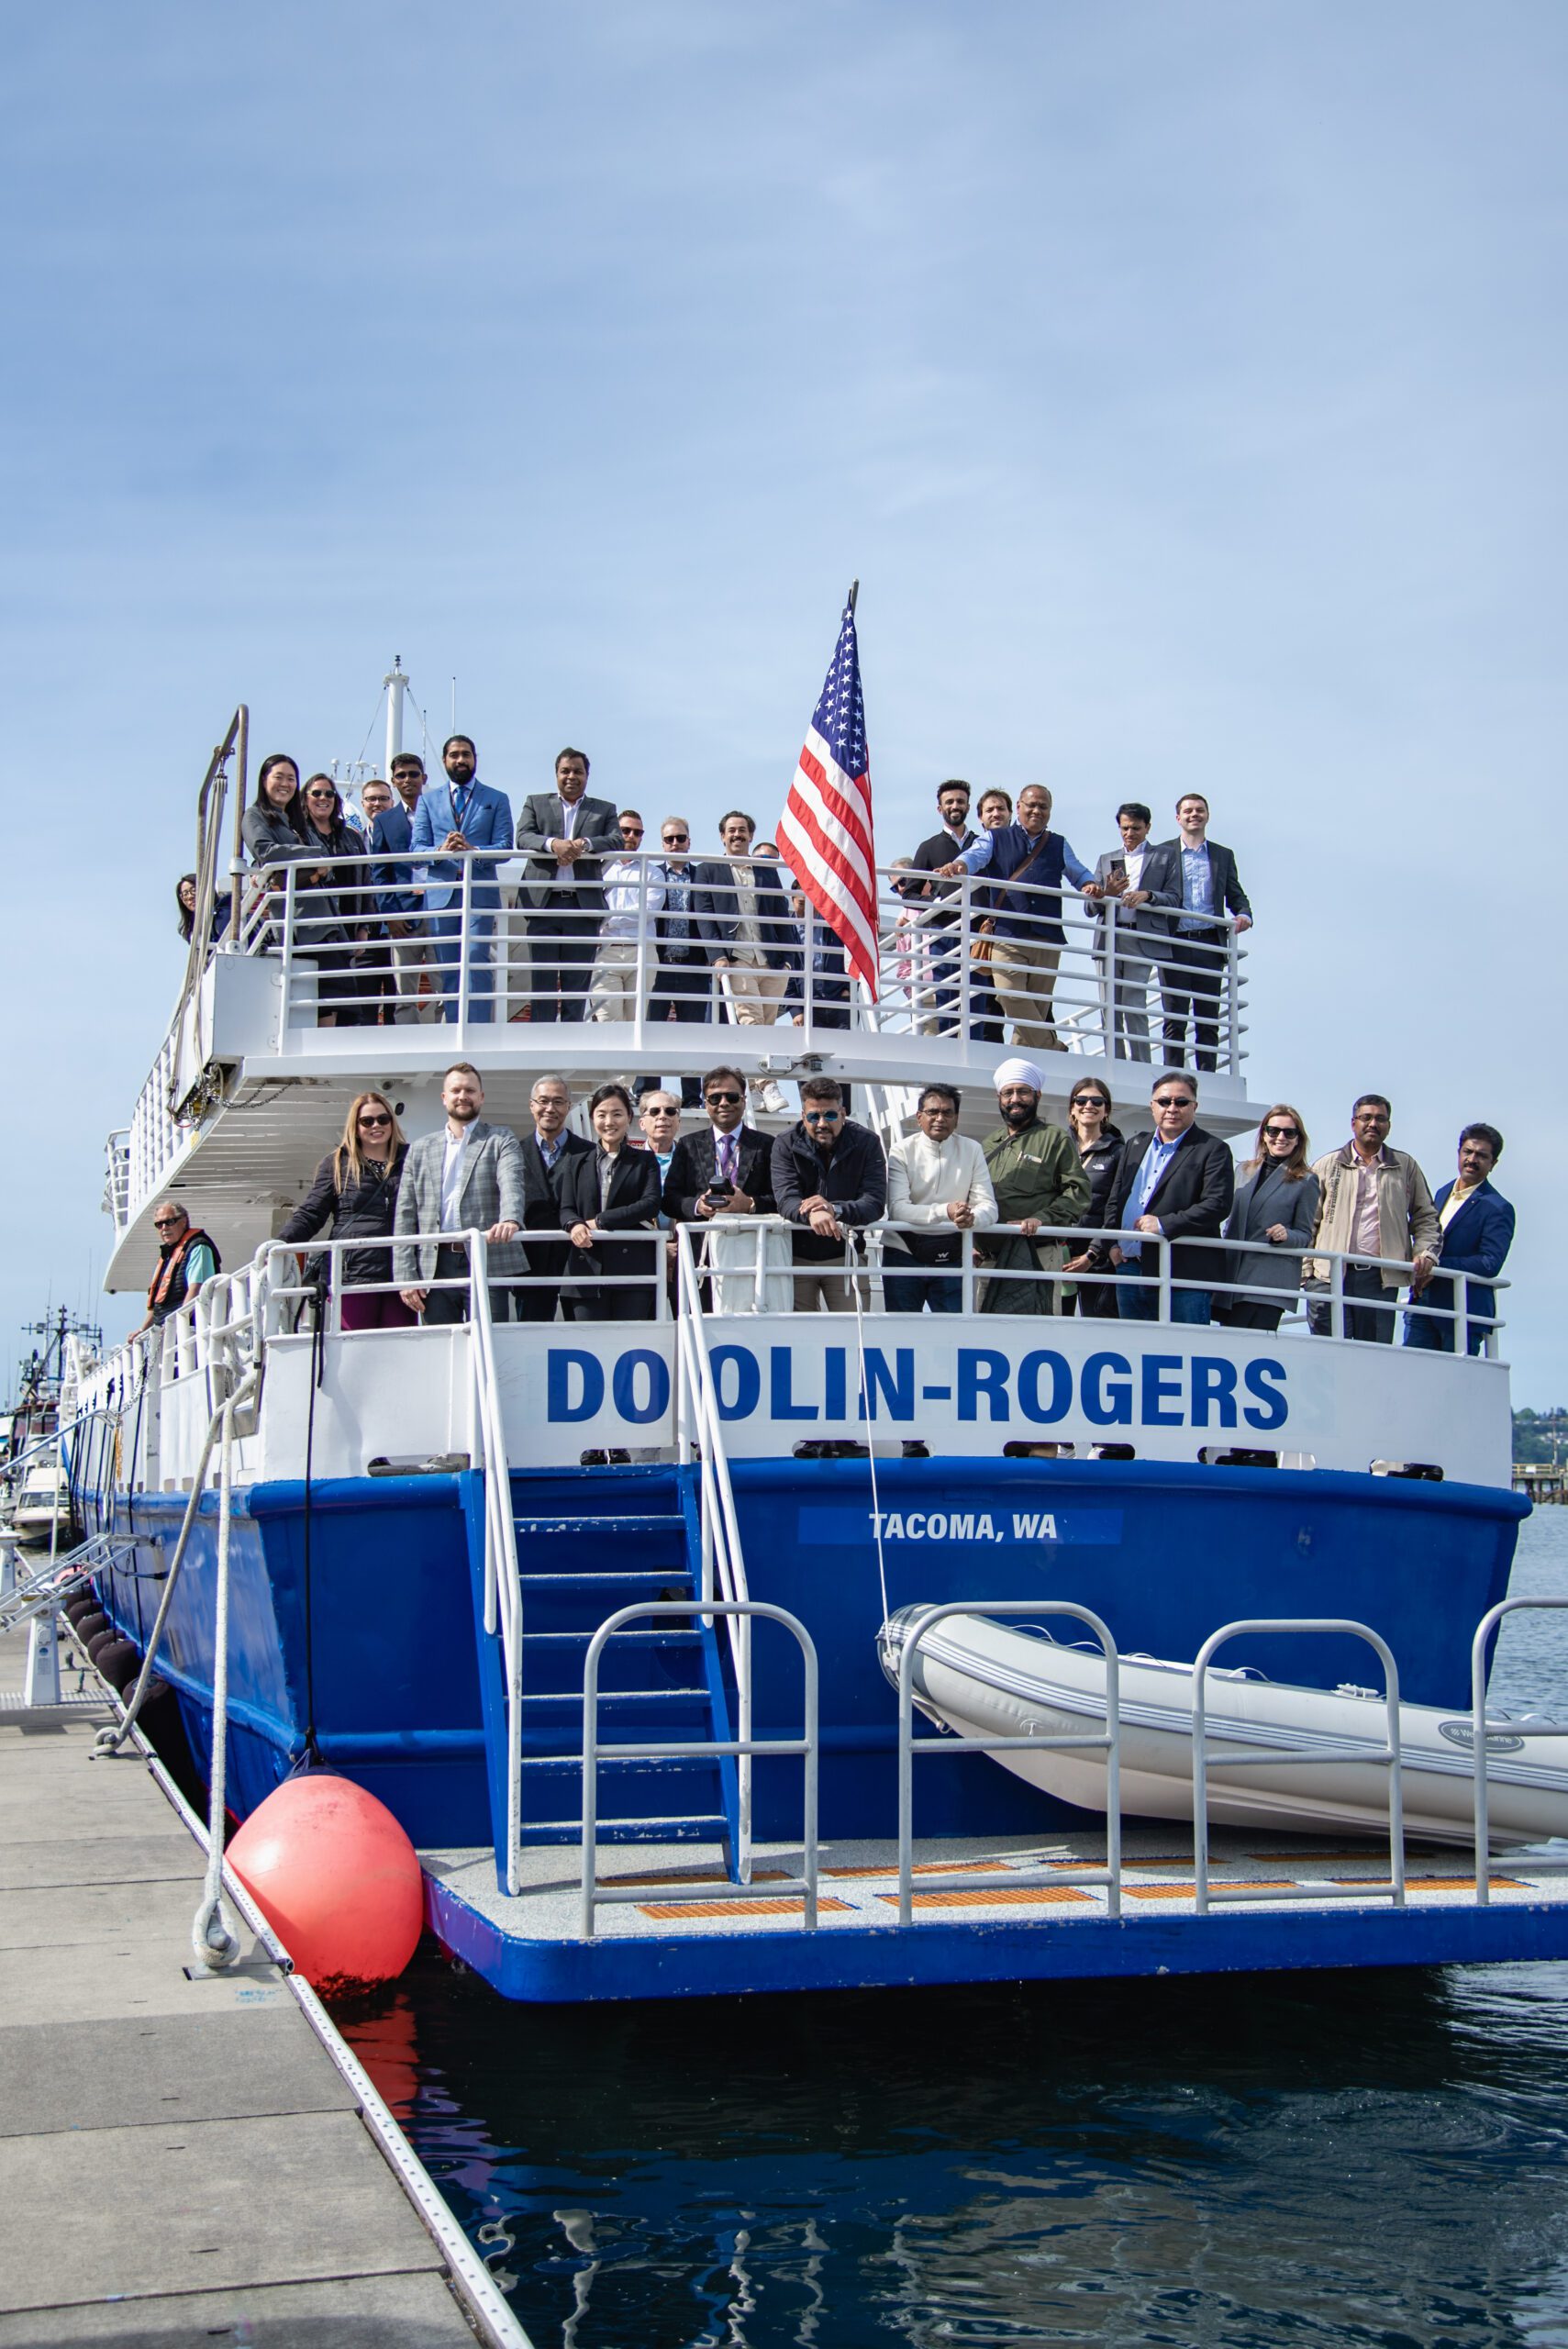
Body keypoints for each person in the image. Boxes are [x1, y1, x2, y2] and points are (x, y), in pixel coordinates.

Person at [943, 785, 1095, 1052]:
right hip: (1007, 933)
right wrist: (959, 865)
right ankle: (1052, 1048)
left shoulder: (1058, 843)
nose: (1037, 811)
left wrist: (1090, 885)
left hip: (1046, 937)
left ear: (1050, 811)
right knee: (1009, 995)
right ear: (1019, 808)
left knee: (1036, 1008)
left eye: (1043, 806)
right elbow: (973, 857)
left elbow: (1078, 872)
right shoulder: (997, 838)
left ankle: (1022, 1066)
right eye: (1031, 805)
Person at [1089, 1073, 1236, 1323]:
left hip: (1182, 1273)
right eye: (1164, 1101)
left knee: (1186, 1351)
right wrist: (1111, 1244)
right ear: (1152, 1106)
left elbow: (1217, 1205)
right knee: (1133, 1353)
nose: (1172, 1108)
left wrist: (1164, 1224)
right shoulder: (1135, 1144)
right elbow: (1115, 1200)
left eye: (1181, 1102)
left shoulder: (1213, 1149)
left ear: (1194, 1107)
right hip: (1129, 1267)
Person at [395, 1063, 529, 1324]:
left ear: (481, 1096)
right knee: (443, 1347)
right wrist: (405, 1276)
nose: (462, 1096)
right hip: (434, 1264)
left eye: (470, 1090)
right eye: (455, 1090)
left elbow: (511, 1181)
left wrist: (510, 1219)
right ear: (444, 1097)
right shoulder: (420, 1149)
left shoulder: (500, 1139)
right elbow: (405, 1214)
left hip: (485, 1255)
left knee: (492, 1342)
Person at [1306, 1096, 1440, 1344]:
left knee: (1373, 1357)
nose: (1372, 1124)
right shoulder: (1327, 1165)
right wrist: (1307, 1274)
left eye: (1380, 1118)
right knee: (1328, 1355)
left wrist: (1425, 1254)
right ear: (1353, 1123)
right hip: (1328, 1275)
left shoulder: (1405, 1166)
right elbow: (1308, 1222)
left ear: (1388, 1125)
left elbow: (1426, 1217)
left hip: (1381, 1278)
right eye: (1366, 1117)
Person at [277, 1093, 414, 1330]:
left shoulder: (411, 1158)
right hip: (353, 1273)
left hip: (401, 1272)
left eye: (383, 1119)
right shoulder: (338, 1163)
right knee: (355, 1349)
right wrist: (281, 1242)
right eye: (367, 1121)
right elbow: (312, 1212)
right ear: (355, 1126)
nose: (377, 1126)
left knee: (401, 1349)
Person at [1140, 795, 1252, 1074]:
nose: (1194, 815)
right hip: (1174, 942)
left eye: (1199, 810)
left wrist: (1244, 914)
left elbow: (1235, 894)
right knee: (1174, 1017)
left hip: (1209, 945)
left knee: (1208, 1017)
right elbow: (1152, 893)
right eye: (1188, 811)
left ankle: (1207, 1076)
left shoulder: (1222, 855)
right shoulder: (1162, 852)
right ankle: (1173, 1076)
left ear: (1208, 815)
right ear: (1178, 818)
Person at [694, 812, 794, 1114]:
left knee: (767, 1023)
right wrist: (717, 956)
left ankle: (753, 1087)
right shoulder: (709, 868)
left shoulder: (766, 870)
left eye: (742, 830)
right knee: (750, 1021)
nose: (737, 835)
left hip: (771, 958)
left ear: (751, 835)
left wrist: (789, 959)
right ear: (722, 836)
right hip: (736, 958)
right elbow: (704, 913)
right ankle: (768, 1085)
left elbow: (781, 913)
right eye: (731, 830)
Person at [411, 737, 516, 1024]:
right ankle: (455, 1028)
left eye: (466, 754)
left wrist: (474, 851)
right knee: (448, 966)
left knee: (475, 959)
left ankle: (478, 1030)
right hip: (441, 893)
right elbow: (415, 850)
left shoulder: (496, 799)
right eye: (454, 755)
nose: (461, 760)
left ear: (475, 758)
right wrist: (441, 851)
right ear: (444, 760)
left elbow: (505, 846)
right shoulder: (428, 801)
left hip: (479, 892)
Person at [514, 748, 621, 1022]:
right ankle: (542, 1040)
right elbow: (523, 836)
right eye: (566, 771)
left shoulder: (604, 809)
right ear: (556, 774)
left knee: (578, 981)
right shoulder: (535, 803)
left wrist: (584, 845)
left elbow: (616, 840)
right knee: (543, 981)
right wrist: (554, 845)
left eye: (578, 771)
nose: (571, 776)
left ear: (587, 775)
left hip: (581, 906)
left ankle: (572, 1037)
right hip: (543, 905)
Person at [976, 1060, 1089, 1314]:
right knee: (986, 1334)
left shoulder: (1054, 1138)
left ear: (1037, 1095)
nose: (1015, 1099)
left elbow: (1078, 1192)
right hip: (990, 1259)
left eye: (1023, 1092)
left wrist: (1041, 1219)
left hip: (1037, 1256)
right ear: (999, 1097)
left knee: (1038, 1332)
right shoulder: (988, 1144)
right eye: (1008, 1093)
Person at [662, 1064, 778, 1310]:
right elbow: (670, 1199)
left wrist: (749, 1205)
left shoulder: (767, 1145)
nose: (723, 1103)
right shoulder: (687, 1145)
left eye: (732, 1096)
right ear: (706, 1103)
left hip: (753, 1253)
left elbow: (781, 1198)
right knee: (696, 1321)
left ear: (744, 1101)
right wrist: (697, 1205)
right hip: (699, 1253)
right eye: (715, 1098)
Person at [772, 1078, 887, 1312]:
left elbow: (874, 1203)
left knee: (852, 1337)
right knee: (799, 1339)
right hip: (795, 1257)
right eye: (814, 1117)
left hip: (846, 1254)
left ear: (843, 1113)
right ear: (803, 1116)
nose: (822, 1123)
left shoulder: (867, 1143)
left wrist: (833, 1209)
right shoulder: (785, 1143)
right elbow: (786, 1199)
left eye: (830, 1116)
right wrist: (812, 1214)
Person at [884, 1085, 998, 1313]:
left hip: (953, 1252)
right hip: (903, 1252)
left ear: (956, 1119)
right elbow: (897, 1209)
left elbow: (989, 1207)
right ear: (919, 1117)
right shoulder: (901, 1150)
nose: (940, 1118)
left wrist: (971, 1217)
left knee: (954, 1336)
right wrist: (945, 1211)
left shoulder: (972, 1149)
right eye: (932, 1112)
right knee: (900, 1334)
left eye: (947, 1113)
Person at [1404, 1125, 1514, 1355]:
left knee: (1453, 1387)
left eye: (1482, 1156)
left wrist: (1436, 1266)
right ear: (1459, 1153)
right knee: (1412, 1377)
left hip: (1462, 1310)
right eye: (1468, 1152)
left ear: (1493, 1163)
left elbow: (1489, 1263)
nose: (1472, 1159)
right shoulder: (1443, 1192)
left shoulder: (1498, 1207)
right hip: (1423, 1304)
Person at [559, 1084, 662, 1321]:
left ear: (629, 1117)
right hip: (585, 1267)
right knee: (587, 1343)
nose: (609, 1122)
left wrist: (599, 1222)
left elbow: (650, 1203)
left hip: (632, 1269)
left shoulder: (645, 1160)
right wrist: (574, 1225)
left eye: (617, 1114)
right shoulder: (576, 1161)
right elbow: (566, 1208)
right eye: (601, 1114)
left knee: (628, 1344)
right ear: (593, 1117)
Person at [1217, 1105, 1319, 1333]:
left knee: (1252, 1349)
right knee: (1229, 1345)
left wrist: (1286, 1235)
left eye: (1289, 1133)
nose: (1280, 1137)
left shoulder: (1306, 1180)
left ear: (1298, 1139)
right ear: (1264, 1134)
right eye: (1273, 1131)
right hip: (1233, 1277)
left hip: (1268, 1281)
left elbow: (1304, 1234)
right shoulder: (1243, 1170)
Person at [1087, 804, 1173, 1063]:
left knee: (1134, 1005)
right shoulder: (1105, 859)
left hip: (1142, 938)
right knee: (1109, 1006)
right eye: (1124, 828)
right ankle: (1114, 1061)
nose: (1129, 833)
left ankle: (1141, 1064)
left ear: (1148, 827)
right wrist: (1108, 893)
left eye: (1135, 828)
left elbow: (1175, 897)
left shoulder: (1165, 857)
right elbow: (1089, 907)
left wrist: (1148, 896)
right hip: (1109, 937)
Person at [635, 817, 708, 1108]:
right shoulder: (653, 874)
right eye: (669, 839)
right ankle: (647, 1093)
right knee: (652, 1029)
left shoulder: (702, 875)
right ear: (662, 843)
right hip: (660, 963)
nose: (675, 844)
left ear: (689, 840)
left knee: (691, 1034)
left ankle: (692, 1097)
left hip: (693, 965)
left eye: (680, 838)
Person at [515, 1073, 594, 1322]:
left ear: (568, 1107)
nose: (550, 1108)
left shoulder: (589, 1152)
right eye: (543, 1101)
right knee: (530, 1338)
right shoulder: (514, 1152)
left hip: (579, 1259)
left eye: (558, 1101)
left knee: (581, 1334)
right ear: (531, 1105)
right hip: (531, 1263)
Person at [907, 780, 979, 1036]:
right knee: (948, 1001)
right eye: (949, 802)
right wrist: (937, 904)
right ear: (940, 809)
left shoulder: (982, 844)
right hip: (944, 931)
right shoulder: (928, 847)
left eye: (960, 801)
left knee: (979, 1001)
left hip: (977, 931)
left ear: (968, 806)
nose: (955, 806)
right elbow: (910, 893)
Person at [296, 774, 369, 1027]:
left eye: (329, 794)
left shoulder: (351, 837)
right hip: (316, 924)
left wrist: (364, 926)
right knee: (328, 989)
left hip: (347, 922)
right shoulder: (298, 834)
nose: (323, 798)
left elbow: (365, 881)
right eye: (316, 793)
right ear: (305, 799)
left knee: (342, 988)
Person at [371, 754, 436, 1024]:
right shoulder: (385, 821)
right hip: (401, 918)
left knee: (447, 988)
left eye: (413, 774)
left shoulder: (440, 813)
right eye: (401, 775)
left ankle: (448, 1048)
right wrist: (390, 914)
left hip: (438, 910)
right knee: (402, 994)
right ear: (393, 781)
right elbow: (380, 872)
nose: (407, 780)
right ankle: (411, 1045)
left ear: (424, 778)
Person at [589, 812, 664, 1023]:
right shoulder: (597, 869)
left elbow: (648, 911)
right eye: (626, 831)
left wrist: (608, 919)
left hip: (642, 951)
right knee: (608, 1022)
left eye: (637, 832)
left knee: (636, 1023)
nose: (631, 836)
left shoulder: (653, 873)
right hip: (605, 951)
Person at [1061, 1075, 1125, 1318]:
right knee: (1055, 1327)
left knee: (1099, 1328)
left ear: (1106, 1110)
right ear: (1072, 1108)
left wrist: (1092, 1253)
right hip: (1060, 1251)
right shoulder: (1058, 1146)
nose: (1089, 1106)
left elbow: (1115, 1206)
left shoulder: (1119, 1151)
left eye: (1097, 1101)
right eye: (1081, 1100)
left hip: (1097, 1257)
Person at [785, 887, 852, 1113]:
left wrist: (848, 989)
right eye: (801, 902)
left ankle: (844, 1112)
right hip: (805, 1004)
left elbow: (855, 953)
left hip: (838, 1001)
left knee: (843, 1058)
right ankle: (809, 1111)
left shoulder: (835, 922)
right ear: (792, 900)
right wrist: (795, 1010)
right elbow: (784, 974)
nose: (807, 908)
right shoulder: (786, 928)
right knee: (806, 1060)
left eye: (811, 902)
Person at [241, 754, 315, 947]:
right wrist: (314, 857)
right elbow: (266, 852)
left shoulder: (298, 822)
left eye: (291, 779)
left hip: (317, 915)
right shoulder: (254, 816)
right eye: (279, 777)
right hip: (292, 918)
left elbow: (326, 858)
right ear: (264, 780)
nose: (285, 784)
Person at [132, 1200, 220, 1341]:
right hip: (167, 1335)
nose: (164, 1228)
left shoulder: (198, 1248)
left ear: (184, 1222)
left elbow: (196, 1289)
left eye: (170, 1222)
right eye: (159, 1224)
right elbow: (156, 1304)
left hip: (191, 1334)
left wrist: (178, 1326)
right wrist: (142, 1330)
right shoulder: (167, 1257)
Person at [176, 873, 231, 952]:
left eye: (193, 890)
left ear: (205, 889)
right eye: (185, 894)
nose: (190, 897)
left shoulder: (224, 908)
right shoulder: (194, 933)